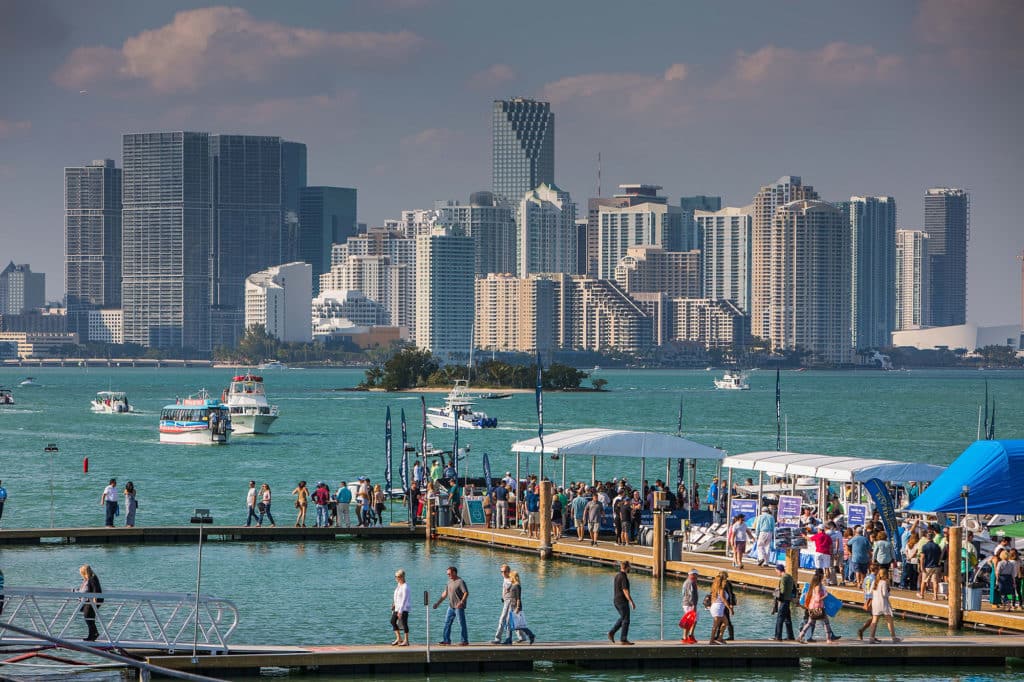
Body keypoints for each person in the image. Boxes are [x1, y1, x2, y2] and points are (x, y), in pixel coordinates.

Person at [798, 569, 839, 644]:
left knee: (809, 623)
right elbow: (817, 599)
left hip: (812, 607)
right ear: (821, 577)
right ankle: (828, 639)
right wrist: (825, 596)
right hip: (818, 607)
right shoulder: (818, 586)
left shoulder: (813, 585)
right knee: (826, 623)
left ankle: (800, 636)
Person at [433, 566, 469, 646]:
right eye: (447, 574)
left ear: (454, 572)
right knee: (447, 623)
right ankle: (446, 640)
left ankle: (464, 641)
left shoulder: (460, 582)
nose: (448, 575)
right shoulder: (449, 582)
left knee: (461, 623)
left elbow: (466, 593)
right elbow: (445, 594)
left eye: (449, 574)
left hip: (459, 607)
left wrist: (461, 602)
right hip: (451, 606)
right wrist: (437, 603)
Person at [866, 567, 901, 643]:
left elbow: (870, 592)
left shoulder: (875, 581)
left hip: (875, 603)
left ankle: (871, 638)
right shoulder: (884, 582)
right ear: (886, 575)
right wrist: (889, 590)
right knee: (889, 620)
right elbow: (885, 594)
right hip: (883, 603)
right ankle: (894, 637)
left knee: (874, 621)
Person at [608, 561, 635, 645]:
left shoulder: (617, 575)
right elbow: (625, 590)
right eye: (629, 567)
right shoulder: (623, 577)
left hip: (616, 600)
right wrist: (631, 601)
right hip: (622, 601)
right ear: (627, 567)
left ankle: (612, 632)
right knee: (626, 619)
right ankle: (623, 639)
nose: (630, 568)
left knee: (623, 618)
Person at [506, 570, 535, 644]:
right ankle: (531, 635)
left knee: (515, 624)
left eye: (510, 576)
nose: (509, 578)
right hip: (512, 606)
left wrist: (517, 608)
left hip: (516, 607)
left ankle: (509, 640)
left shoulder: (517, 586)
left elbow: (518, 598)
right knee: (516, 625)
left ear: (513, 577)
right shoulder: (513, 585)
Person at [492, 564, 518, 644]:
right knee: (509, 620)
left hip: (510, 601)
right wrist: (503, 597)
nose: (502, 573)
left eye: (504, 571)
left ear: (508, 571)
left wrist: (517, 603)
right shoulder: (505, 578)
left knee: (505, 619)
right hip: (506, 601)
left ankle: (500, 639)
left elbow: (516, 590)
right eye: (501, 571)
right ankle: (520, 637)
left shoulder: (511, 580)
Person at [78, 564, 103, 641]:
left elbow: (96, 589)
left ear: (85, 572)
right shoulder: (90, 578)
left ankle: (94, 634)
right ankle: (92, 635)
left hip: (93, 600)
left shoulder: (92, 578)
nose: (82, 576)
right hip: (89, 600)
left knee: (88, 617)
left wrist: (95, 599)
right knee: (89, 617)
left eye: (82, 574)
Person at [773, 563, 796, 641]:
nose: (777, 573)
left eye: (777, 571)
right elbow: (794, 589)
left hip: (783, 601)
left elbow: (782, 591)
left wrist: (779, 600)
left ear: (779, 570)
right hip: (788, 600)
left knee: (780, 619)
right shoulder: (789, 577)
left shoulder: (783, 578)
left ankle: (778, 636)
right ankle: (790, 636)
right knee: (787, 619)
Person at [707, 571, 731, 645]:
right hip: (718, 608)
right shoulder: (721, 589)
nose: (727, 580)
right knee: (715, 625)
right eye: (726, 578)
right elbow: (723, 599)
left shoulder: (715, 587)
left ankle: (720, 638)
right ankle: (711, 641)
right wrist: (730, 608)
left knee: (725, 622)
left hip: (717, 607)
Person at [918, 531, 943, 600]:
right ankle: (935, 596)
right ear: (933, 537)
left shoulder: (925, 546)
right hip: (935, 565)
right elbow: (940, 556)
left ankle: (922, 594)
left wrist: (921, 567)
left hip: (927, 566)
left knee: (924, 580)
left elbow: (922, 558)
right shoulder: (937, 546)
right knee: (935, 581)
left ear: (927, 537)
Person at [857, 562, 879, 640]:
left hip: (867, 599)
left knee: (874, 617)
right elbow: (874, 590)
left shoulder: (867, 577)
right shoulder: (875, 579)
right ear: (876, 570)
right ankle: (866, 632)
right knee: (875, 618)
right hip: (872, 599)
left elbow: (863, 588)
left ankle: (868, 633)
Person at [390, 569, 410, 646]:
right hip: (397, 607)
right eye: (395, 576)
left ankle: (406, 641)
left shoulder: (405, 587)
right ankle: (399, 638)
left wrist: (400, 611)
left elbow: (404, 599)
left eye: (397, 577)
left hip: (404, 608)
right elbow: (397, 596)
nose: (396, 578)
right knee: (392, 621)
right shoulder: (399, 585)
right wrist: (394, 603)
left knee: (405, 623)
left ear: (402, 577)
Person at [680, 568, 699, 643]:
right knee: (690, 620)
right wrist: (694, 605)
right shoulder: (690, 582)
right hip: (689, 604)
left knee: (694, 620)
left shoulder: (689, 582)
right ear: (692, 575)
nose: (697, 576)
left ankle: (690, 635)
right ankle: (685, 637)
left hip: (689, 603)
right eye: (696, 575)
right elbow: (691, 595)